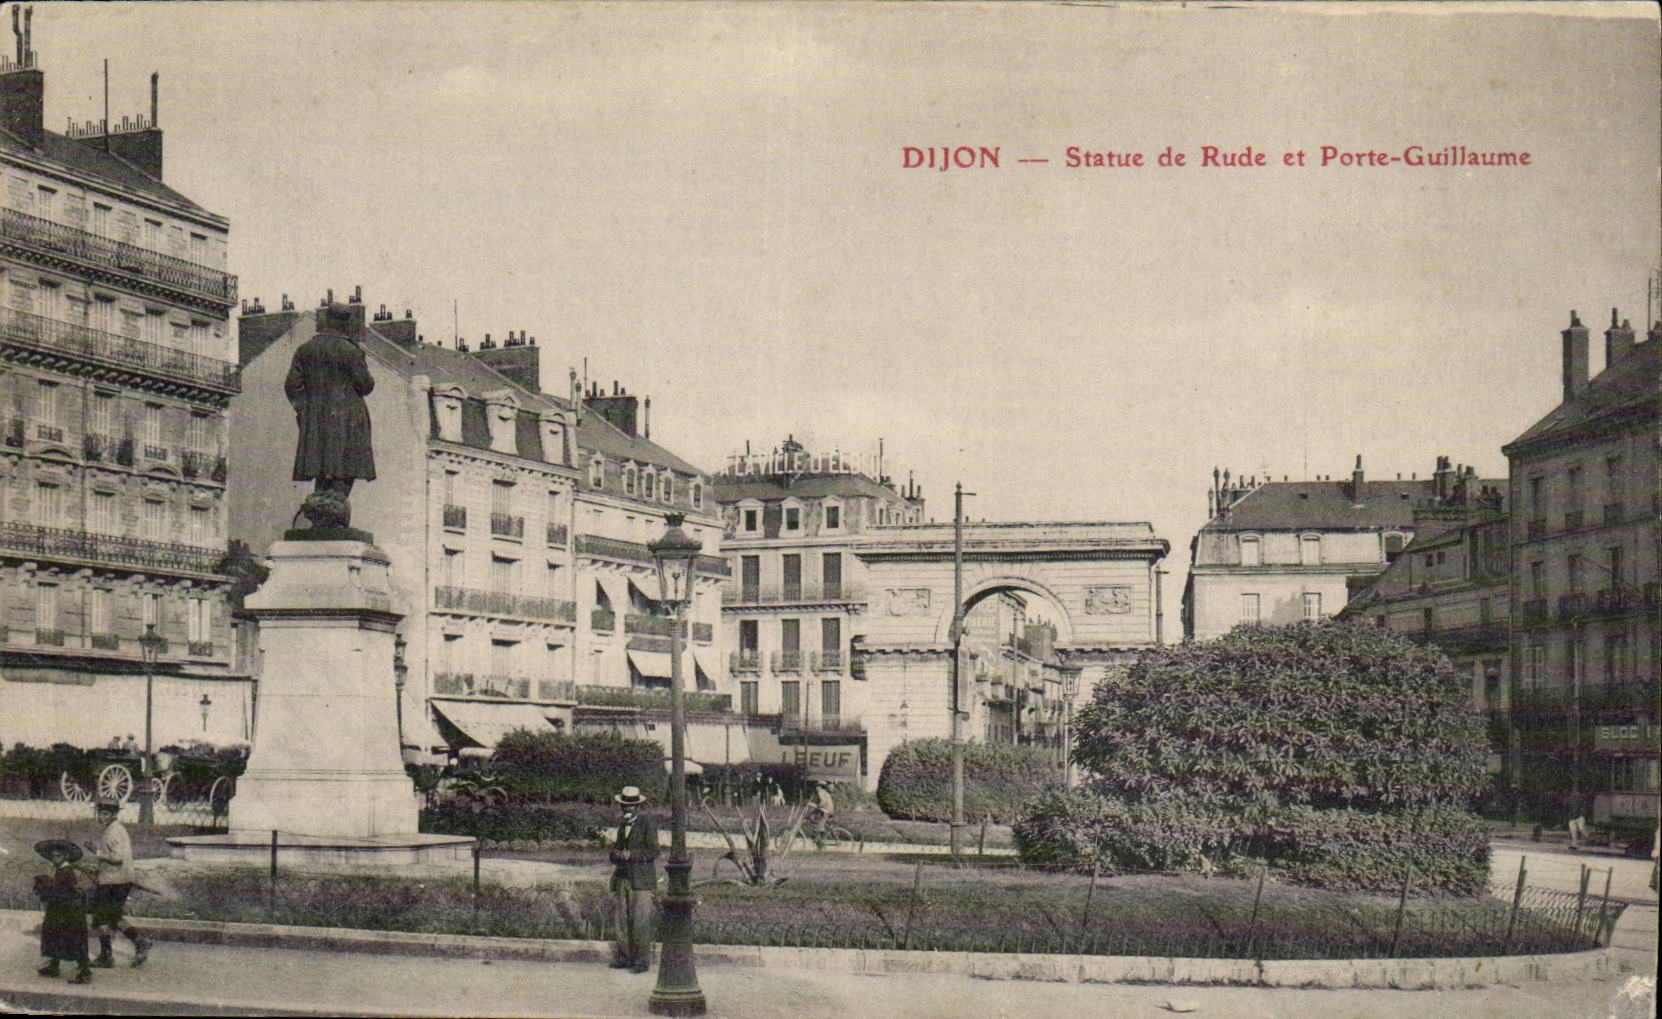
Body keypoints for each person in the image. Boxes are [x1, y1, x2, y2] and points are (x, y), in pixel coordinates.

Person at [284, 302, 376, 526]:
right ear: (345, 324)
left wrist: (305, 412)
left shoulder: (305, 350)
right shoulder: (350, 351)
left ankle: (321, 517)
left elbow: (291, 386)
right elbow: (366, 385)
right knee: (344, 472)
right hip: (349, 422)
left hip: (316, 424)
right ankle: (333, 517)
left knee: (322, 474)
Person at [85, 798, 149, 969]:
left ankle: (106, 956)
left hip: (112, 882)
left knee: (99, 919)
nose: (102, 816)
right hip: (121, 879)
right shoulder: (118, 829)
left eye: (106, 813)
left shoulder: (112, 832)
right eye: (101, 813)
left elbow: (117, 857)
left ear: (114, 814)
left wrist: (97, 853)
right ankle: (140, 941)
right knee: (114, 917)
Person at [608, 786, 659, 973]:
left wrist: (632, 854)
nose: (627, 809)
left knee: (640, 921)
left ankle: (641, 961)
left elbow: (654, 852)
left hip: (641, 881)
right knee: (622, 920)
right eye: (624, 806)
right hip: (623, 879)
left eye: (630, 806)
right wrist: (615, 854)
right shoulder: (622, 827)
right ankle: (624, 956)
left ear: (638, 807)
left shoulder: (647, 825)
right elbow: (617, 850)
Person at [32, 839, 91, 984]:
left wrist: (46, 888)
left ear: (65, 856)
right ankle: (54, 965)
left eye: (58, 856)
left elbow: (64, 891)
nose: (54, 859)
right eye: (52, 856)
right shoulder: (61, 870)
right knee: (55, 935)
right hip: (61, 909)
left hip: (68, 911)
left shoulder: (66, 871)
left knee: (71, 938)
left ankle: (84, 970)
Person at [806, 780, 835, 847]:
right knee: (813, 820)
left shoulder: (821, 792)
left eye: (817, 786)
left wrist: (815, 806)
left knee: (817, 826)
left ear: (820, 787)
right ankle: (819, 840)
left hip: (826, 811)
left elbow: (823, 802)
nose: (816, 787)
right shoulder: (824, 792)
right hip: (827, 810)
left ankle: (821, 842)